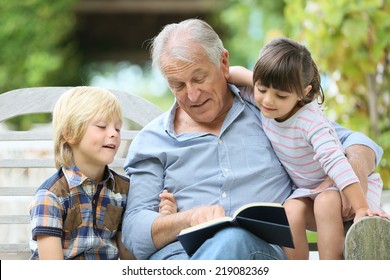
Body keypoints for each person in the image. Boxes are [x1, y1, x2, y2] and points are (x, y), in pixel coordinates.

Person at [121, 18, 384, 260]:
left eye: (199, 78)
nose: (192, 95)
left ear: (224, 64)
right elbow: (135, 233)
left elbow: (358, 143)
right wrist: (188, 219)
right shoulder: (153, 140)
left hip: (260, 255)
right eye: (177, 85)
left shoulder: (270, 111)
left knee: (233, 239)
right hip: (180, 259)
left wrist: (352, 181)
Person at [229, 37, 387, 259]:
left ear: (303, 92)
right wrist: (235, 75)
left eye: (280, 96)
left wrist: (360, 207)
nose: (268, 101)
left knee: (325, 202)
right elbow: (234, 75)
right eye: (261, 88)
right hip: (307, 190)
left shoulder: (311, 122)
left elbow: (335, 161)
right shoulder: (266, 101)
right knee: (290, 211)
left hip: (342, 188)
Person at [29, 86, 137, 260]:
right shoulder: (51, 196)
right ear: (70, 133)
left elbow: (128, 258)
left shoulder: (123, 190)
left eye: (117, 128)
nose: (113, 134)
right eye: (102, 126)